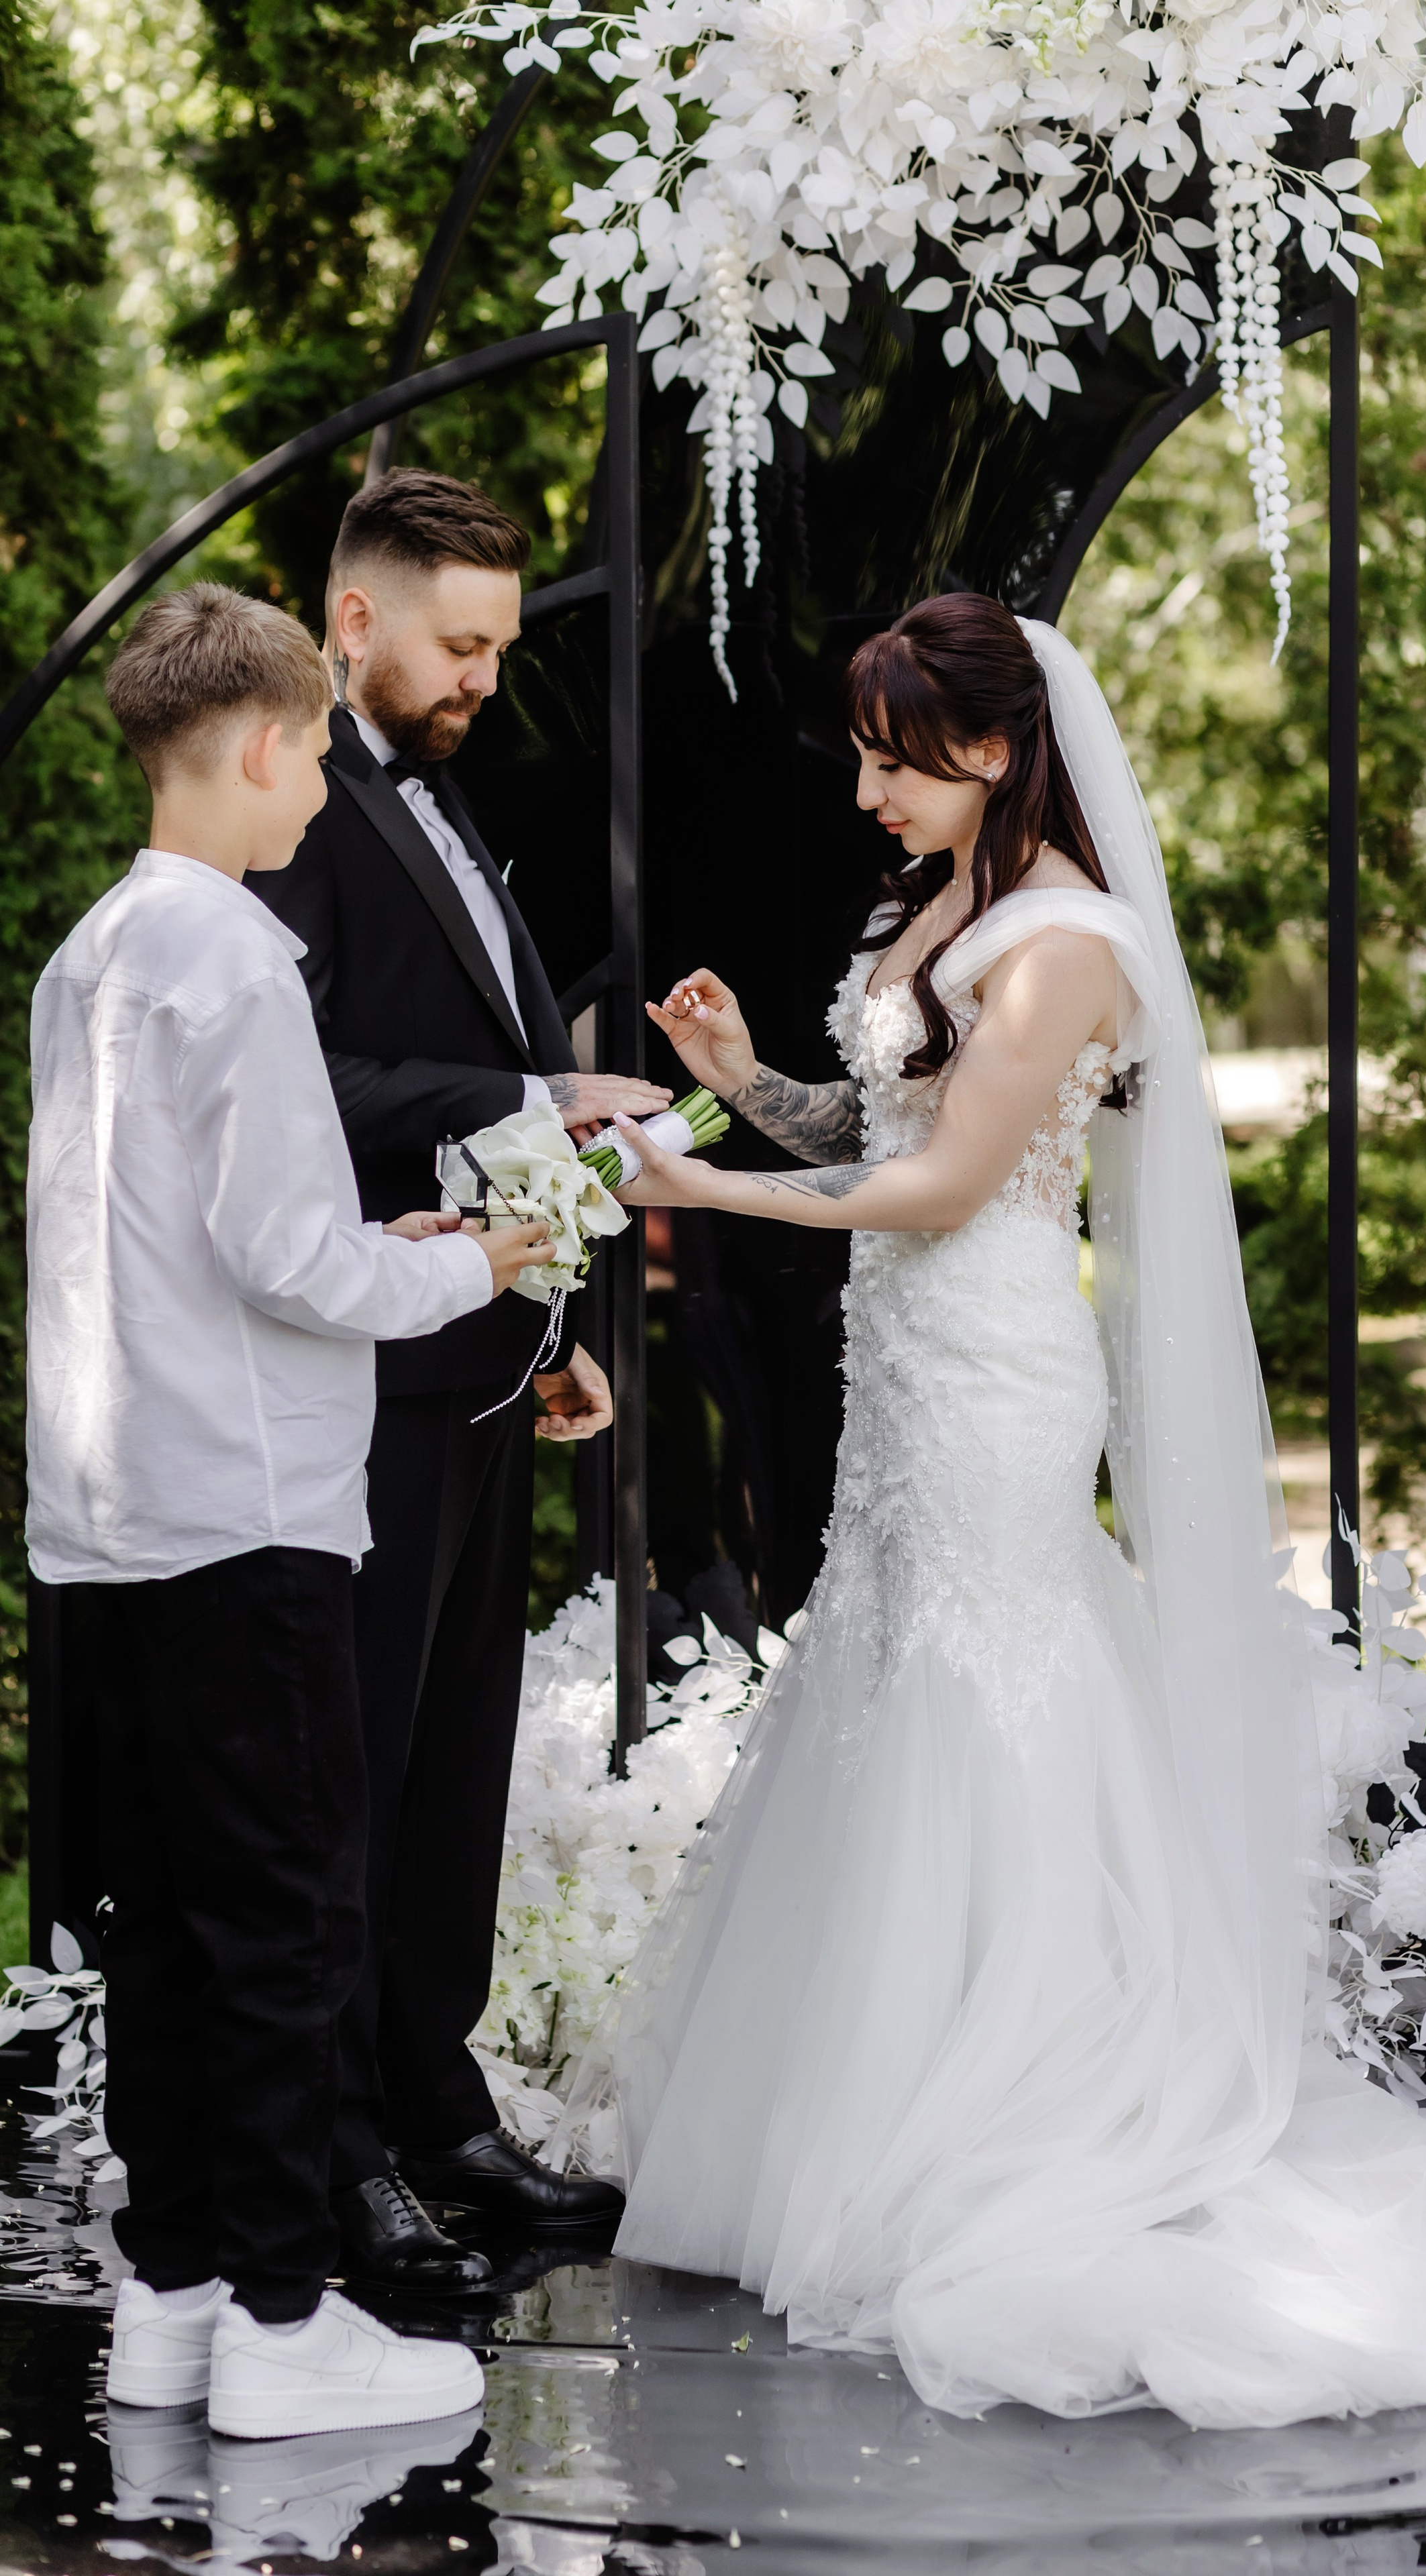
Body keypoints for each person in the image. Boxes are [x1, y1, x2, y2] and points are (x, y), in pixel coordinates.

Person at [562, 595, 1426, 2430]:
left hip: (991, 1370)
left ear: (991, 749)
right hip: (907, 1378)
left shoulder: (1068, 939)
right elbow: (873, 1118)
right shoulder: (945, 913)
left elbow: (944, 1185)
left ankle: (1032, 2101)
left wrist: (696, 1185)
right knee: (892, 1687)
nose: (862, 791)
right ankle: (873, 2105)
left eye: (887, 754)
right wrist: (744, 1081)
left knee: (997, 1693)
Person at [26, 584, 550, 2433]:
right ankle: (275, 2319)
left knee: (163, 1921)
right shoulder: (240, 957)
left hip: (111, 1516)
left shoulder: (91, 953)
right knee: (282, 1921)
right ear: (259, 743)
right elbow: (280, 1262)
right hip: (249, 1518)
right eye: (319, 750)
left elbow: (176, 1241)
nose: (325, 786)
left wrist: (365, 1245)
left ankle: (173, 2294)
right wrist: (471, 1266)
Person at [252, 471, 660, 2288]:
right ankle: (342, 2152)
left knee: (454, 1769)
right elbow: (299, 1091)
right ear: (357, 623)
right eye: (461, 642)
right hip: (357, 1376)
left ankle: (438, 2106)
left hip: (485, 1363)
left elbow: (501, 1069)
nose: (487, 676)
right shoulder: (282, 810)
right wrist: (526, 1101)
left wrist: (559, 1330)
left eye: (498, 644)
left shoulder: (450, 797)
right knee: (358, 1764)